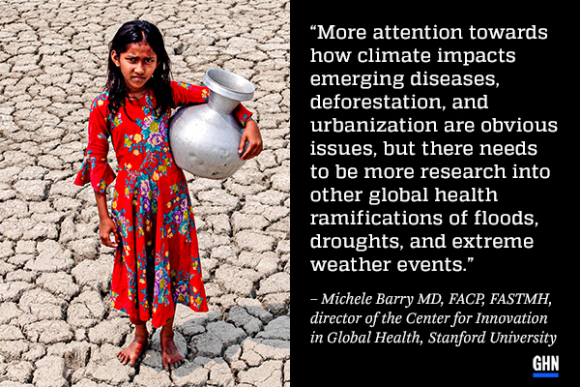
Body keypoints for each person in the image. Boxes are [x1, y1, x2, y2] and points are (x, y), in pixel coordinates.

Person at [73, 20, 263, 371]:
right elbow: (96, 161)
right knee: (136, 269)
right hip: (129, 203)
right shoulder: (104, 107)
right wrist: (103, 216)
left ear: (158, 61)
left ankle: (167, 335)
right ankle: (141, 333)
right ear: (116, 58)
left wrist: (248, 120)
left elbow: (215, 98)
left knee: (169, 266)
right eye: (132, 59)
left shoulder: (169, 93)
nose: (140, 68)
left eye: (148, 60)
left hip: (171, 201)